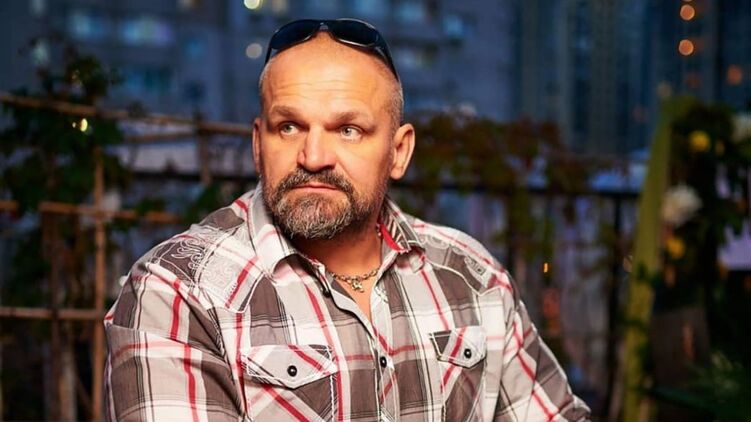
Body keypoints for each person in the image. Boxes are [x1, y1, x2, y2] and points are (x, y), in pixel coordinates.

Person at [104, 18, 590, 421]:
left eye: (349, 130)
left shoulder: (471, 275)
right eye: (288, 126)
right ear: (257, 144)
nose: (314, 156)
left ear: (399, 152)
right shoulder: (178, 292)